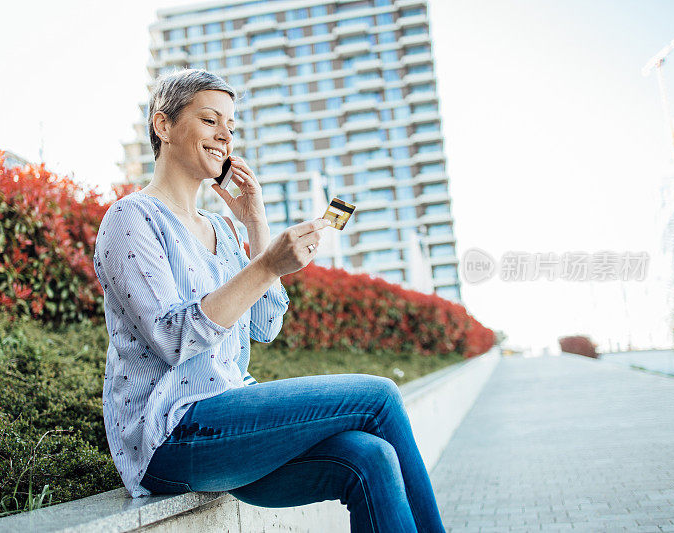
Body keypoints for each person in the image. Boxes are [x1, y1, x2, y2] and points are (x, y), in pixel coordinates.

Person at [93, 68, 446, 533]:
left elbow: (264, 325)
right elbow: (172, 338)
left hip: (231, 423)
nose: (225, 136)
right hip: (171, 437)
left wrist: (256, 224)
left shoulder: (221, 229)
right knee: (379, 397)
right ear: (163, 125)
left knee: (371, 457)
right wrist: (264, 267)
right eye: (210, 120)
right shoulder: (131, 219)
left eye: (232, 127)